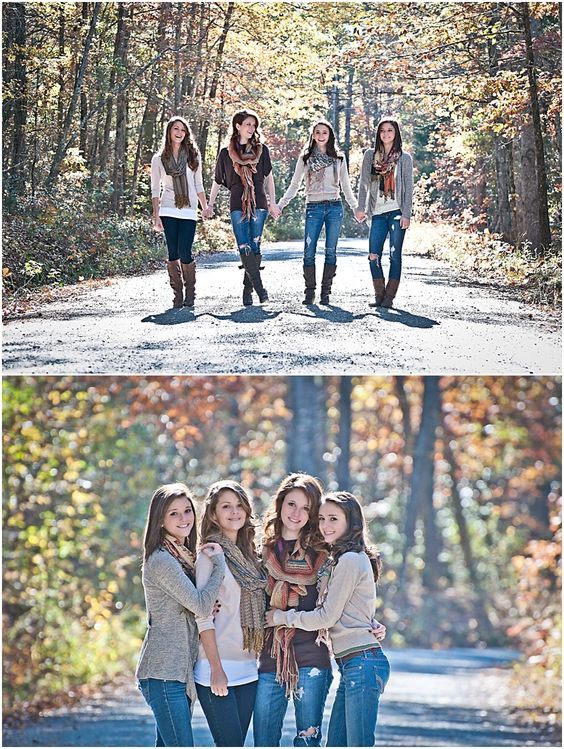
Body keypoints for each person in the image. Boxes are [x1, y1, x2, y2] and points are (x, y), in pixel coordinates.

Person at [266, 491, 390, 748]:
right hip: (352, 664)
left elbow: (326, 617)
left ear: (351, 522)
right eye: (321, 518)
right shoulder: (340, 560)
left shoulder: (350, 560)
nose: (325, 525)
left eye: (333, 519)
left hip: (362, 663)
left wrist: (281, 617)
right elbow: (353, 609)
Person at [136, 483, 225, 747]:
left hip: (177, 672)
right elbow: (199, 604)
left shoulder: (183, 558)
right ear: (160, 520)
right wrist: (218, 566)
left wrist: (203, 603)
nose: (184, 518)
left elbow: (195, 604)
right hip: (163, 672)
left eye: (187, 510)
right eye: (174, 513)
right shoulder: (163, 560)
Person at [253, 473, 332, 747]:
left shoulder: (324, 555)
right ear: (280, 504)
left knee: (307, 743)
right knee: (263, 741)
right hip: (270, 660)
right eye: (291, 504)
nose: (297, 513)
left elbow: (344, 595)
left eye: (306, 508)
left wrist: (369, 620)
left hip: (313, 659)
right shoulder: (260, 552)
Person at [194, 480, 267, 746]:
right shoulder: (209, 556)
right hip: (216, 666)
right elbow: (203, 617)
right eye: (226, 506)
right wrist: (216, 669)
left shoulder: (252, 558)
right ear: (213, 514)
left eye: (239, 506)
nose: (234, 512)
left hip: (248, 668)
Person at [278, 120, 364, 305]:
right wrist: (281, 204)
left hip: (334, 207)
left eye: (324, 132)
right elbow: (295, 184)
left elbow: (346, 186)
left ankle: (326, 293)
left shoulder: (338, 158)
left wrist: (355, 207)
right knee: (309, 251)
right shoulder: (305, 158)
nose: (321, 135)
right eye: (317, 132)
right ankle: (310, 292)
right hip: (313, 207)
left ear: (330, 135)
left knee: (330, 251)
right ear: (313, 135)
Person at [203, 110, 281, 306]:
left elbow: (268, 178)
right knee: (243, 245)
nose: (251, 128)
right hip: (237, 202)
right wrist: (209, 205)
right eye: (247, 124)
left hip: (259, 203)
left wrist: (273, 202)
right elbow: (217, 181)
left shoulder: (262, 150)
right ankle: (260, 288)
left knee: (255, 245)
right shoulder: (225, 153)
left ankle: (248, 290)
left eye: (254, 125)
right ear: (237, 126)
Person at [151, 117, 209, 309]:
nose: (179, 132)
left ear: (186, 134)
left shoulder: (193, 156)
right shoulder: (158, 159)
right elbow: (154, 189)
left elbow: (198, 184)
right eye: (176, 128)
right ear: (169, 132)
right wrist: (156, 214)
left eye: (183, 130)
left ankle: (190, 291)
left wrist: (204, 206)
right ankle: (178, 294)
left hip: (189, 209)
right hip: (168, 208)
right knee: (173, 252)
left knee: (185, 251)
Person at [357, 117, 413, 308]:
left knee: (394, 254)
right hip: (377, 213)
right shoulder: (370, 156)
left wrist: (407, 213)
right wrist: (361, 207)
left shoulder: (404, 159)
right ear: (378, 134)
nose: (386, 134)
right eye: (382, 130)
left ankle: (389, 298)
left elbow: (408, 187)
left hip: (397, 211)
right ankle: (379, 294)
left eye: (390, 130)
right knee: (373, 254)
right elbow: (364, 184)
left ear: (396, 133)